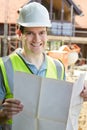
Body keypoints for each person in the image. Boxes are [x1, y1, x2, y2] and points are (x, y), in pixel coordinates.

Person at [0, 2, 87, 130]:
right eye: (30, 33)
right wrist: (4, 115)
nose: (37, 39)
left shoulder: (58, 68)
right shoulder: (4, 66)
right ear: (19, 34)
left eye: (41, 32)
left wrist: (80, 95)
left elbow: (60, 109)